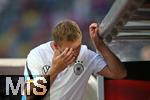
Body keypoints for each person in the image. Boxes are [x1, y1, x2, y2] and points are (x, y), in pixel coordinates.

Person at [23, 19, 127, 100]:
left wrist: (101, 46)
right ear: (55, 46)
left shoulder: (84, 54)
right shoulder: (37, 55)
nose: (75, 53)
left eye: (78, 47)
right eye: (69, 50)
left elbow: (119, 74)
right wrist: (55, 70)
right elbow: (30, 97)